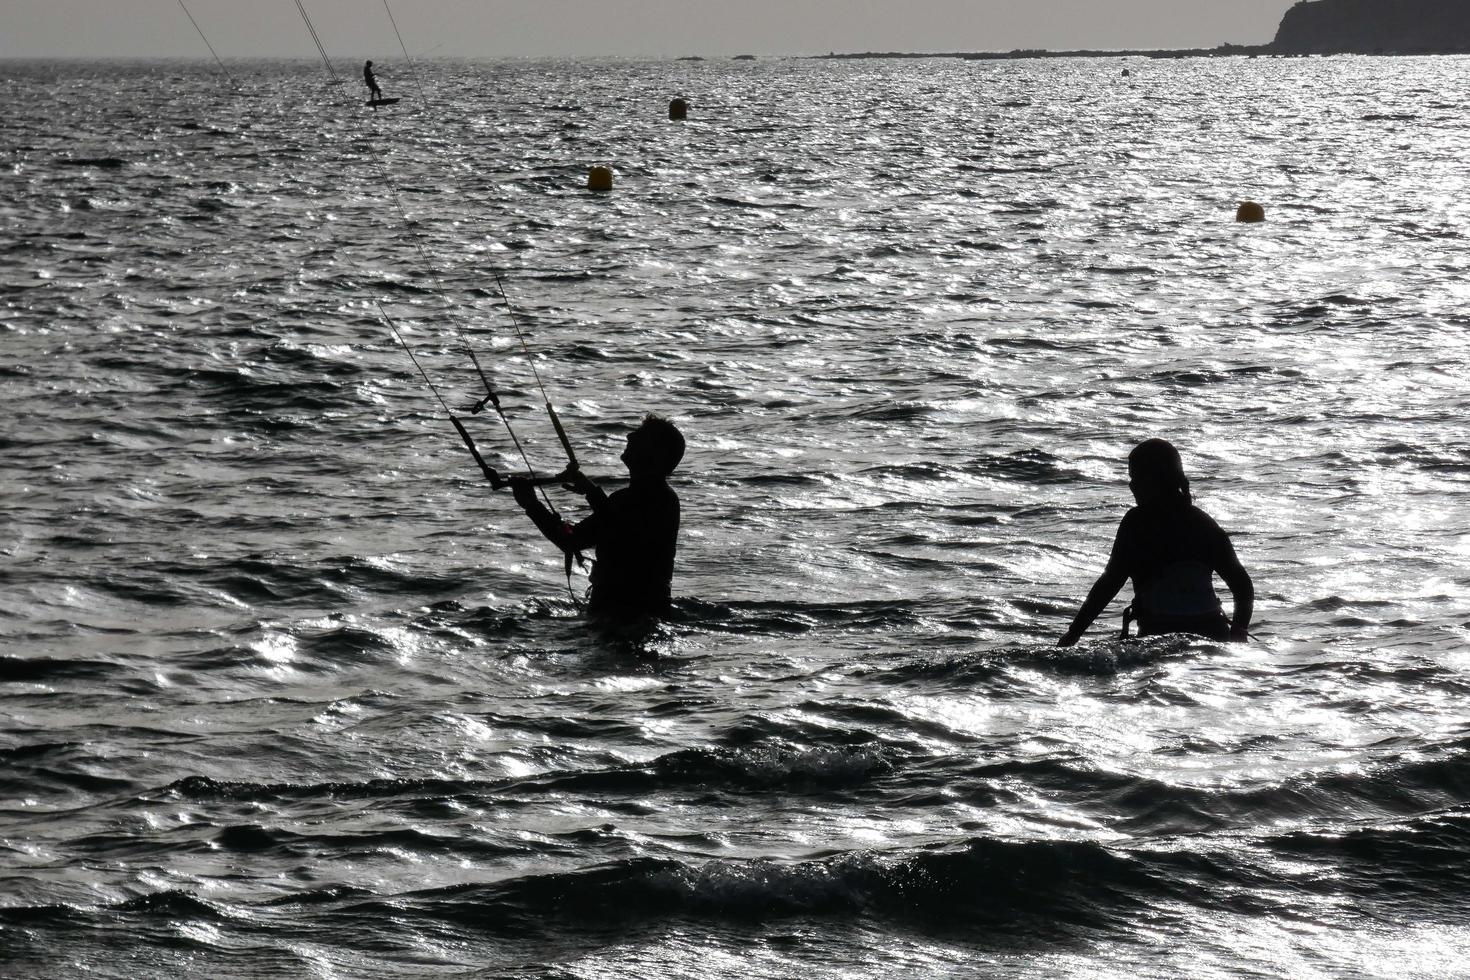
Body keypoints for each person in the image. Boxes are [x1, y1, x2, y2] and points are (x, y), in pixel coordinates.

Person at [1058, 438, 1253, 646]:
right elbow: (1243, 587)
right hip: (1212, 635)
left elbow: (1109, 583)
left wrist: (1073, 634)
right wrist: (1238, 632)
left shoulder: (1136, 523)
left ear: (1157, 479)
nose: (1131, 485)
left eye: (1136, 477)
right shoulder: (1203, 523)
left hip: (1158, 635)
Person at [511, 415, 684, 619]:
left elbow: (623, 530)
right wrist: (532, 505)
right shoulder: (625, 499)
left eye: (641, 435)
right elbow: (571, 539)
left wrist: (591, 492)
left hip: (629, 616)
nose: (630, 435)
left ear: (656, 455)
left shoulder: (661, 500)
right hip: (614, 614)